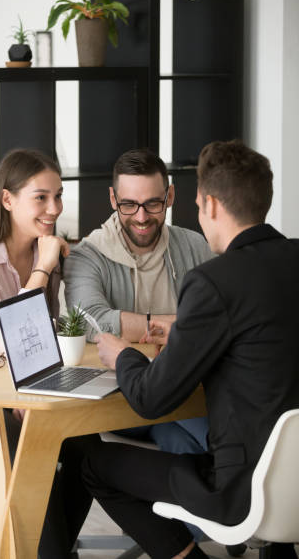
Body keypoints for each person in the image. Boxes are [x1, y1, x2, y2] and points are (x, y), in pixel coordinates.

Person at [82, 140, 299, 559]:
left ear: (211, 205)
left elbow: (150, 398)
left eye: (200, 205)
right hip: (293, 480)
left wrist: (121, 353)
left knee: (94, 464)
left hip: (238, 486)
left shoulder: (214, 281)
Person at [0, 148, 99, 558]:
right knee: (30, 447)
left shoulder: (44, 251)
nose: (54, 208)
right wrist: (43, 269)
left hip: (20, 389)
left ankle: (50, 551)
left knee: (89, 443)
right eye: (41, 197)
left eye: (58, 196)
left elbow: (48, 339)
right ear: (7, 199)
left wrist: (33, 393)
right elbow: (11, 336)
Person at [64, 149, 212, 456]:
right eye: (129, 205)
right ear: (113, 199)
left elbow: (217, 316)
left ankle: (220, 491)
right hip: (120, 395)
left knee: (179, 437)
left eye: (153, 204)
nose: (141, 217)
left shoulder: (195, 246)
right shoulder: (87, 255)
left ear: (170, 196)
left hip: (181, 387)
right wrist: (178, 324)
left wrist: (182, 326)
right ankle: (241, 471)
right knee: (199, 431)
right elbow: (92, 319)